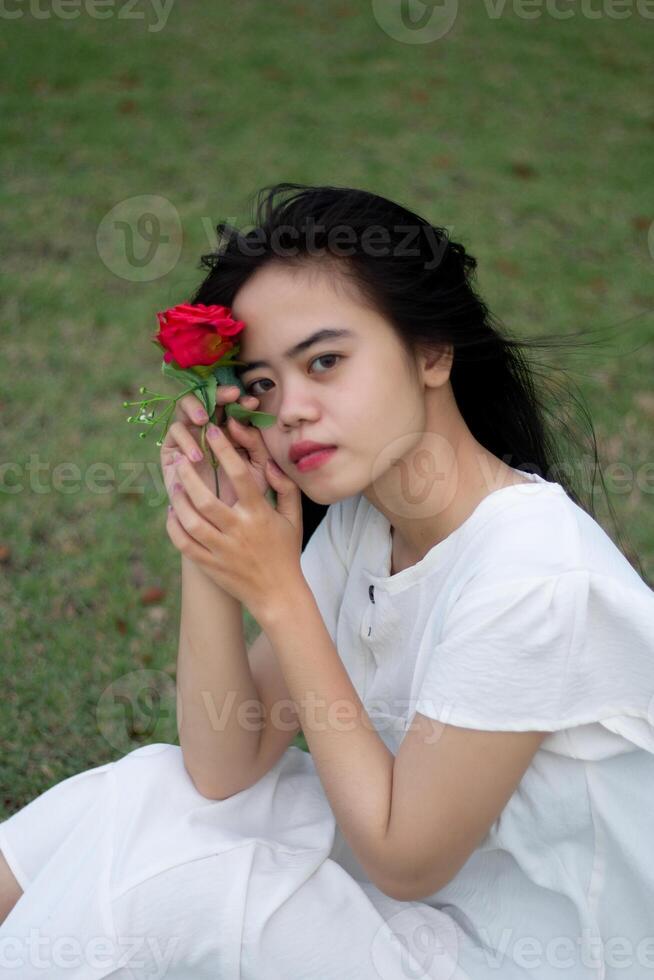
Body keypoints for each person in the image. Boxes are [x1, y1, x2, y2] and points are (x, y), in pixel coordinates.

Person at [1, 183, 653, 979]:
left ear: (431, 352)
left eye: (326, 362)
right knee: (144, 790)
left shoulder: (533, 576)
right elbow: (223, 769)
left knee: (189, 889)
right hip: (430, 915)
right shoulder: (363, 523)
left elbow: (405, 859)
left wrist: (279, 595)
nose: (293, 410)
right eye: (264, 385)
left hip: (524, 958)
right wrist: (211, 527)